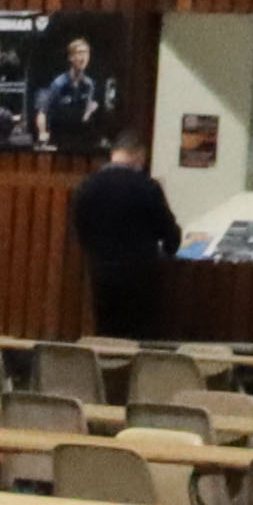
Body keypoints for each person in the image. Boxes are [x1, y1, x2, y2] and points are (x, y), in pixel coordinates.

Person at [56, 110, 180, 342]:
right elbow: (171, 236)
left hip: (102, 271)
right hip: (140, 274)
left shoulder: (87, 186)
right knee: (138, 336)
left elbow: (80, 229)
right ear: (139, 154)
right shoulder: (147, 187)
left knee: (107, 333)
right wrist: (166, 252)